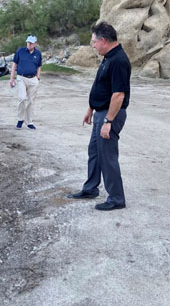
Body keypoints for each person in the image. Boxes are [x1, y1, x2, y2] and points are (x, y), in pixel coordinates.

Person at [66, 22, 131, 211]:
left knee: (107, 156)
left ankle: (117, 198)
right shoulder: (108, 57)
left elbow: (118, 95)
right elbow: (101, 87)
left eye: (94, 42)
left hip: (110, 115)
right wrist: (90, 109)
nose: (93, 45)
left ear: (104, 40)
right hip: (100, 112)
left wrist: (108, 122)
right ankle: (90, 189)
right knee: (94, 152)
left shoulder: (119, 60)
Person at [10, 35, 42, 129]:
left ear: (35, 43)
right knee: (22, 98)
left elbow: (39, 66)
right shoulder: (20, 51)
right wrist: (12, 78)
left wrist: (38, 78)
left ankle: (29, 122)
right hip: (21, 77)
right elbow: (14, 64)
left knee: (31, 101)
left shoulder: (38, 53)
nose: (29, 44)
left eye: (31, 43)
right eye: (28, 42)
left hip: (33, 79)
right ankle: (20, 119)